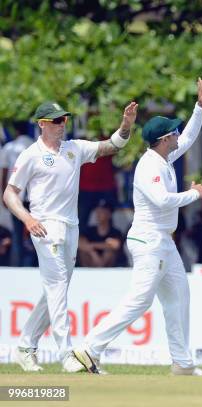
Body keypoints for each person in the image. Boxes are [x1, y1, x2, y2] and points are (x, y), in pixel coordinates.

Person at [73, 78, 202, 376]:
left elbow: (187, 138)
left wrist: (199, 108)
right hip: (149, 241)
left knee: (179, 297)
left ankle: (182, 363)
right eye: (172, 132)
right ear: (163, 139)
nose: (177, 135)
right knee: (140, 300)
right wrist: (194, 194)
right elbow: (161, 200)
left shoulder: (165, 155)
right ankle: (89, 349)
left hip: (163, 242)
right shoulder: (149, 166)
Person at [4, 100, 138, 372]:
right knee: (56, 288)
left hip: (71, 226)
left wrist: (126, 125)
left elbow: (112, 146)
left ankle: (25, 346)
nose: (61, 125)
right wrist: (28, 218)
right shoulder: (31, 154)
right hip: (45, 226)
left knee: (57, 288)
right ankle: (67, 355)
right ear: (41, 124)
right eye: (55, 121)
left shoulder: (74, 148)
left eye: (64, 120)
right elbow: (9, 193)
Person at [0, 121, 34, 266]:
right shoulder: (35, 146)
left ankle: (19, 265)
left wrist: (4, 194)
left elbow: (4, 173)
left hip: (16, 196)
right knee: (34, 232)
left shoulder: (9, 147)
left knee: (18, 233)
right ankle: (32, 264)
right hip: (33, 196)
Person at [77, 199, 124, 267]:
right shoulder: (89, 230)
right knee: (83, 252)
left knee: (109, 252)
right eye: (97, 211)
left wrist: (92, 245)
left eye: (102, 211)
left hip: (108, 268)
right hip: (90, 265)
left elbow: (115, 245)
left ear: (109, 214)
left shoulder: (115, 232)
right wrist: (93, 253)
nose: (99, 214)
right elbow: (79, 244)